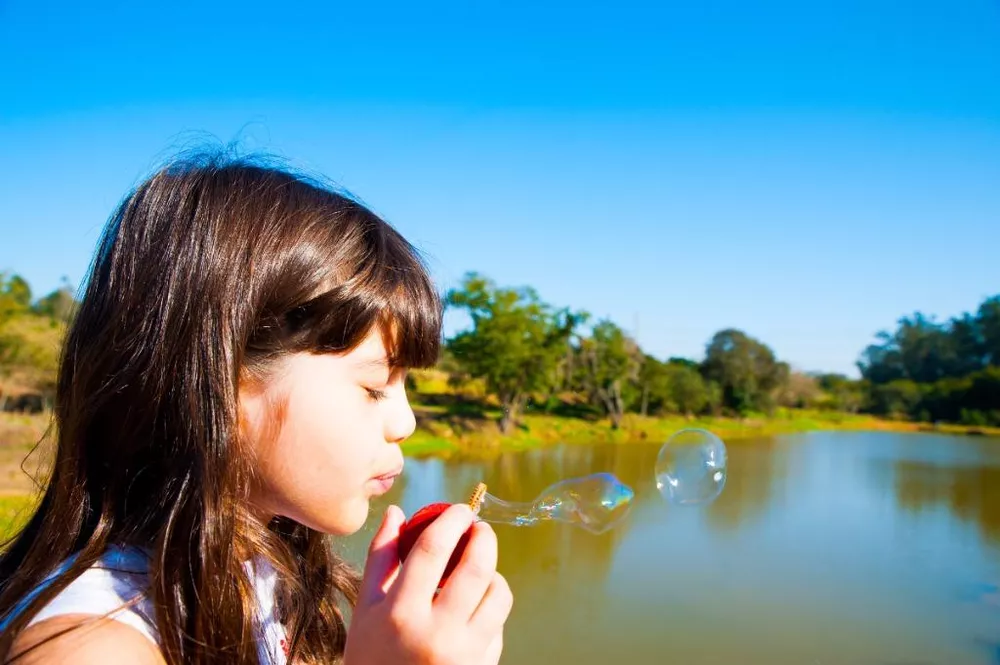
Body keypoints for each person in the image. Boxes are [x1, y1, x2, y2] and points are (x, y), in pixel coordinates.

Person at [0, 150, 512, 664]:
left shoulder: (260, 574)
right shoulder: (89, 648)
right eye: (375, 386)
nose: (405, 422)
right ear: (225, 382)